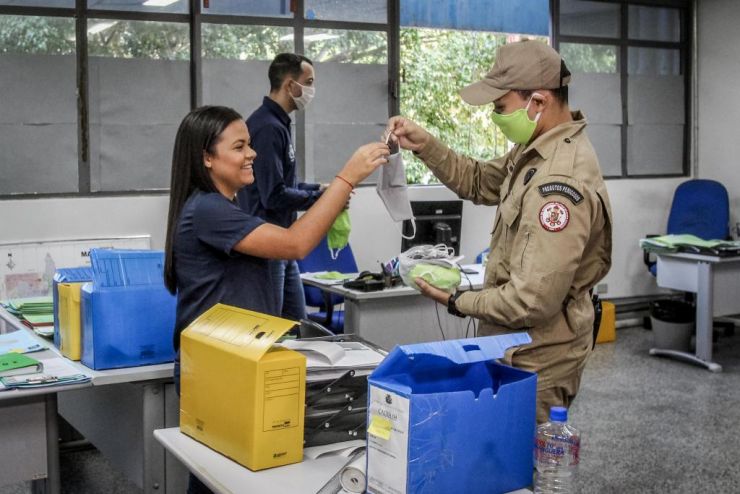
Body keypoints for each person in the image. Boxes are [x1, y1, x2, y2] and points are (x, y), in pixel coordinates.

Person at [386, 40, 613, 424]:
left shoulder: (558, 183)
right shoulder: (535, 148)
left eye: (499, 107)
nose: (494, 116)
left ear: (537, 102)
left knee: (521, 470)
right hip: (514, 345)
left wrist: (457, 300)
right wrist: (424, 144)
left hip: (538, 357)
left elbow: (531, 301)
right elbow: (478, 182)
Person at [164, 105, 388, 493]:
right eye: (239, 147)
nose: (252, 154)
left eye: (250, 145)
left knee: (232, 478)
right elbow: (295, 244)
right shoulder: (207, 210)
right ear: (207, 158)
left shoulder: (227, 208)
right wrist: (346, 179)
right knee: (220, 478)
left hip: (237, 364)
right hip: (218, 372)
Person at [237, 53, 324, 322]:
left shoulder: (279, 124)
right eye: (308, 82)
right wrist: (318, 199)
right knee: (271, 326)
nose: (311, 90)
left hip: (281, 242)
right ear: (290, 85)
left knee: (297, 324)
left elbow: (283, 183)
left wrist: (318, 189)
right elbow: (273, 195)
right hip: (267, 243)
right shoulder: (267, 128)